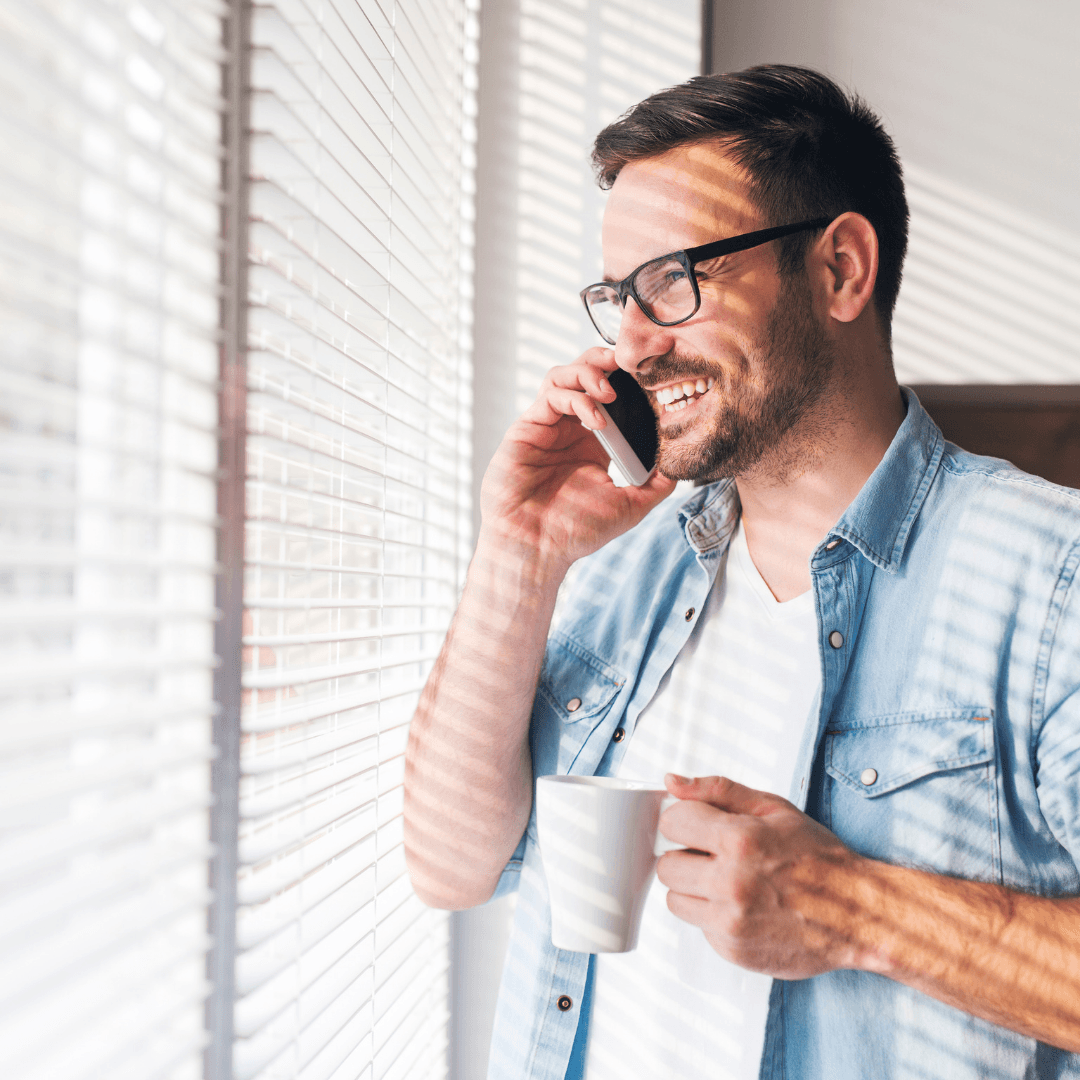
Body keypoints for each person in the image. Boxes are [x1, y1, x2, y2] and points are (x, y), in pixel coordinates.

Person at [403, 65, 1080, 1080]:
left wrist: (856, 908)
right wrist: (520, 549)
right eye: (618, 297)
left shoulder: (1049, 578)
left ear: (841, 269)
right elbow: (450, 869)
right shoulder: (613, 569)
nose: (633, 344)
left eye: (674, 281)